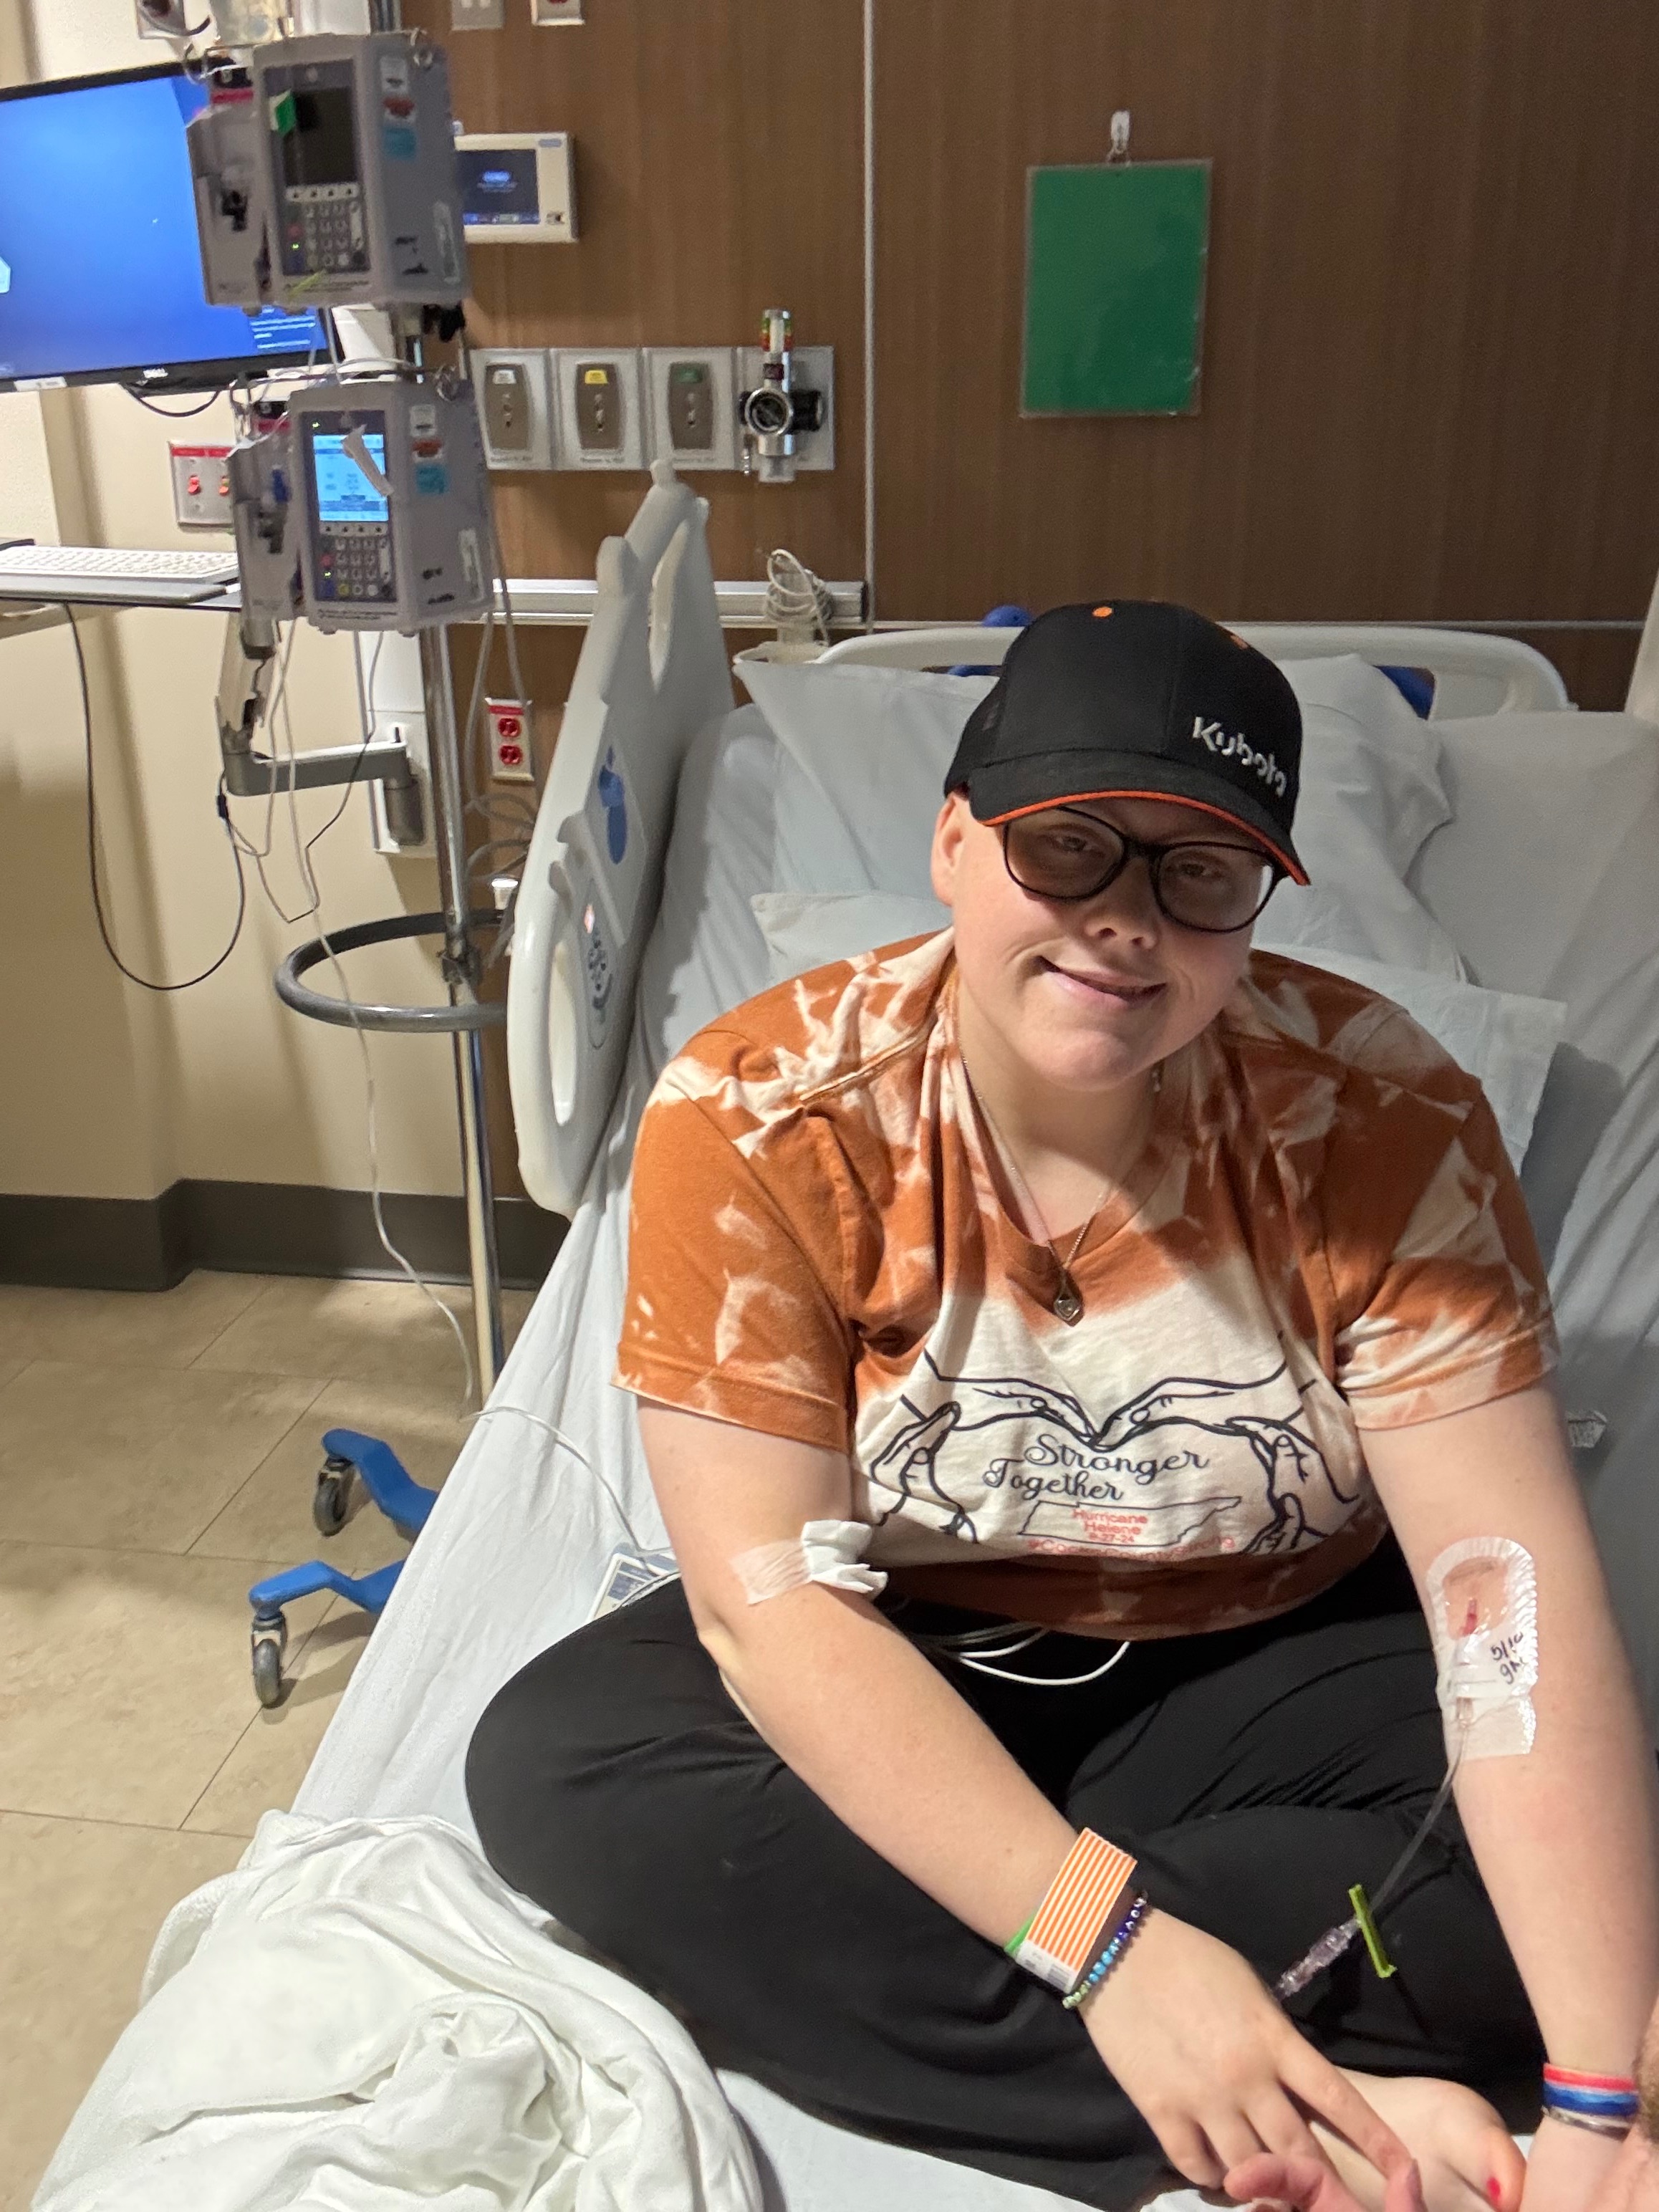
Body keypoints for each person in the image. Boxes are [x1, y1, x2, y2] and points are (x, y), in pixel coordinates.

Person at [467, 603, 1659, 2212]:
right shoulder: (762, 1117)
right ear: (955, 842)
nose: (1126, 923)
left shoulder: (1386, 1124)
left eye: (1199, 873)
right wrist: (1117, 1948)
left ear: (1253, 907)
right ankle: (1307, 2115)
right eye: (1069, 847)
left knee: (1568, 1889)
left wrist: (1595, 2112)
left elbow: (1500, 1602)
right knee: (563, 1768)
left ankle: (1083, 1988)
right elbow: (771, 1610)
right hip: (906, 1640)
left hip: (1277, 1649)